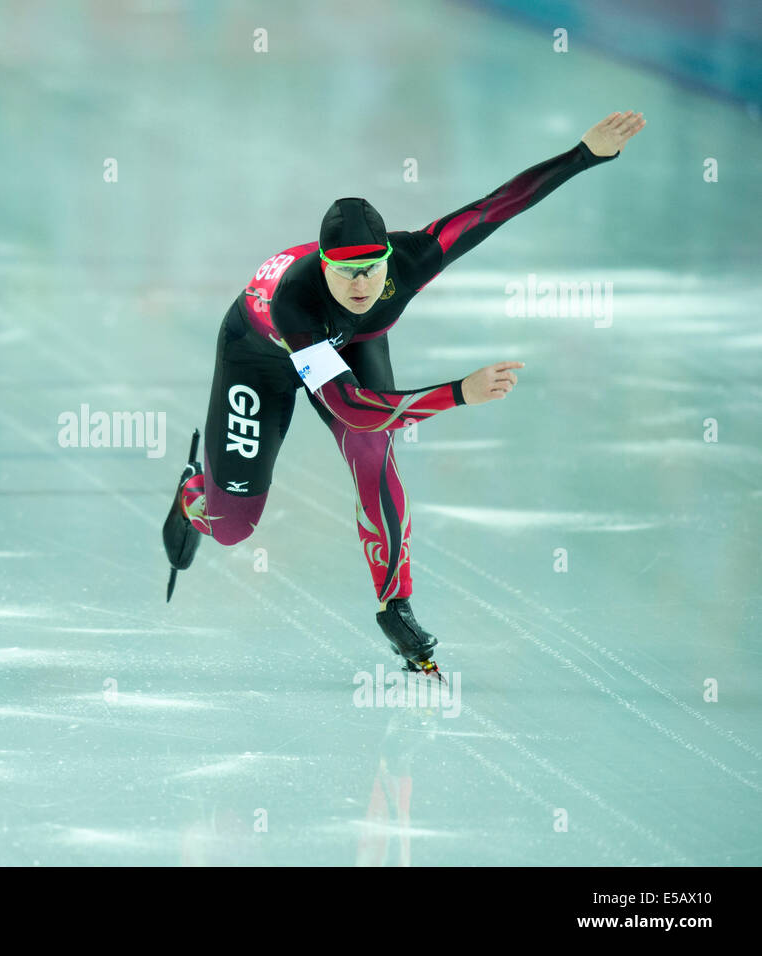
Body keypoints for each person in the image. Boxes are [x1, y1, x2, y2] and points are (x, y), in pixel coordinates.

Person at [163, 110, 647, 678]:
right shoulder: (297, 297)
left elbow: (495, 208)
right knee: (232, 527)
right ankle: (196, 493)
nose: (362, 285)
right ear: (324, 268)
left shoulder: (413, 258)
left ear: (390, 259)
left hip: (351, 347)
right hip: (260, 359)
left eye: (372, 269)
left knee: (374, 452)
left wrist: (583, 155)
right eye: (346, 274)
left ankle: (397, 607)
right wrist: (459, 393)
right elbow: (348, 405)